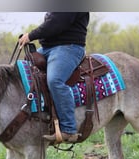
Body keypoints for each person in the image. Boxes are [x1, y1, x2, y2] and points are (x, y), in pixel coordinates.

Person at [18, 12, 90, 143]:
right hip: (47, 48)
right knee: (22, 70)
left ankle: (69, 129)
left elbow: (56, 24)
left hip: (69, 47)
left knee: (55, 80)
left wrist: (31, 35)